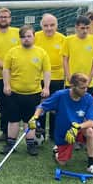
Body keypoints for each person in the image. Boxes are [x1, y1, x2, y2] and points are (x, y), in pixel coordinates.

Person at [31, 73, 93, 173]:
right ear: (72, 86)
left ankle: (91, 163)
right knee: (62, 162)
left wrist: (77, 127)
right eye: (82, 88)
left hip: (78, 129)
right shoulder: (60, 95)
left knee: (90, 131)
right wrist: (35, 117)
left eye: (86, 87)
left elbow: (91, 122)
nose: (85, 90)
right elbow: (42, 107)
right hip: (63, 132)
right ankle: (56, 151)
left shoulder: (88, 98)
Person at [1, 25, 51, 156]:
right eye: (23, 37)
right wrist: (6, 85)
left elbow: (46, 71)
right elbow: (6, 69)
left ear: (34, 37)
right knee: (13, 120)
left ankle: (30, 145)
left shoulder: (41, 53)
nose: (26, 39)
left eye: (29, 36)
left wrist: (46, 87)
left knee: (30, 121)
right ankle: (10, 144)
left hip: (33, 93)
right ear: (20, 38)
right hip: (14, 93)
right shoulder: (12, 52)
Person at [0, 7, 20, 143]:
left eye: (6, 17)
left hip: (17, 76)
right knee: (4, 105)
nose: (3, 19)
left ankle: (24, 132)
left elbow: (22, 51)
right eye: (1, 17)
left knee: (17, 104)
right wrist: (6, 69)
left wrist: (14, 70)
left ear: (10, 19)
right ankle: (5, 132)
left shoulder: (18, 33)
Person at [34, 13, 66, 141]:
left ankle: (54, 133)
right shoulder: (35, 37)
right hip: (39, 78)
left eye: (52, 25)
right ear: (41, 25)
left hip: (58, 78)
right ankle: (39, 133)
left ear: (57, 26)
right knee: (40, 106)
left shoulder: (63, 39)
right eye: (46, 25)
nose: (49, 28)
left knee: (55, 107)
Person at [62, 16, 93, 92]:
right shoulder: (68, 40)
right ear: (76, 27)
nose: (85, 31)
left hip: (87, 81)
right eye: (82, 28)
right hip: (72, 81)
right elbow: (65, 60)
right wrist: (69, 77)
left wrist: (90, 78)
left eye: (87, 28)